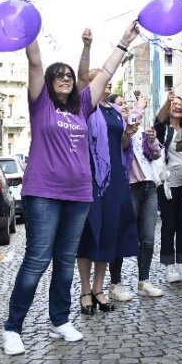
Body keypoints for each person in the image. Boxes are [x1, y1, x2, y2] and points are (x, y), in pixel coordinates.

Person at [2, 22, 137, 355]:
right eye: (57, 75)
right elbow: (34, 60)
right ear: (49, 83)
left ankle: (59, 321)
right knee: (37, 260)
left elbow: (105, 72)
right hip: (44, 194)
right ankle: (13, 328)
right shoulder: (40, 105)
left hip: (78, 195)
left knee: (64, 261)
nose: (64, 77)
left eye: (68, 75)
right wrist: (28, 20)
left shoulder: (82, 106)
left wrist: (124, 40)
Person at [76, 91, 140, 308]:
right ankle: (85, 291)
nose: (107, 81)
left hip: (114, 178)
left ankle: (98, 289)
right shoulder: (86, 107)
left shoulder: (113, 111)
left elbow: (120, 146)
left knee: (109, 232)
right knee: (88, 232)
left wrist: (128, 134)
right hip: (90, 176)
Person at [124, 95, 165, 298]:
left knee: (148, 239)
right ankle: (115, 283)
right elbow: (131, 121)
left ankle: (144, 280)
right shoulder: (121, 131)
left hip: (150, 187)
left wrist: (151, 139)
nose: (125, 108)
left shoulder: (139, 132)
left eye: (127, 104)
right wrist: (139, 106)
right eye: (121, 105)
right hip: (130, 187)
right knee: (124, 236)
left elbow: (156, 154)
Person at [154, 91, 182, 283]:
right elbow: (157, 121)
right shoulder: (163, 130)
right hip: (168, 183)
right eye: (174, 104)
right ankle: (169, 267)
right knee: (169, 224)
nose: (177, 106)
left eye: (180, 104)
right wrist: (166, 102)